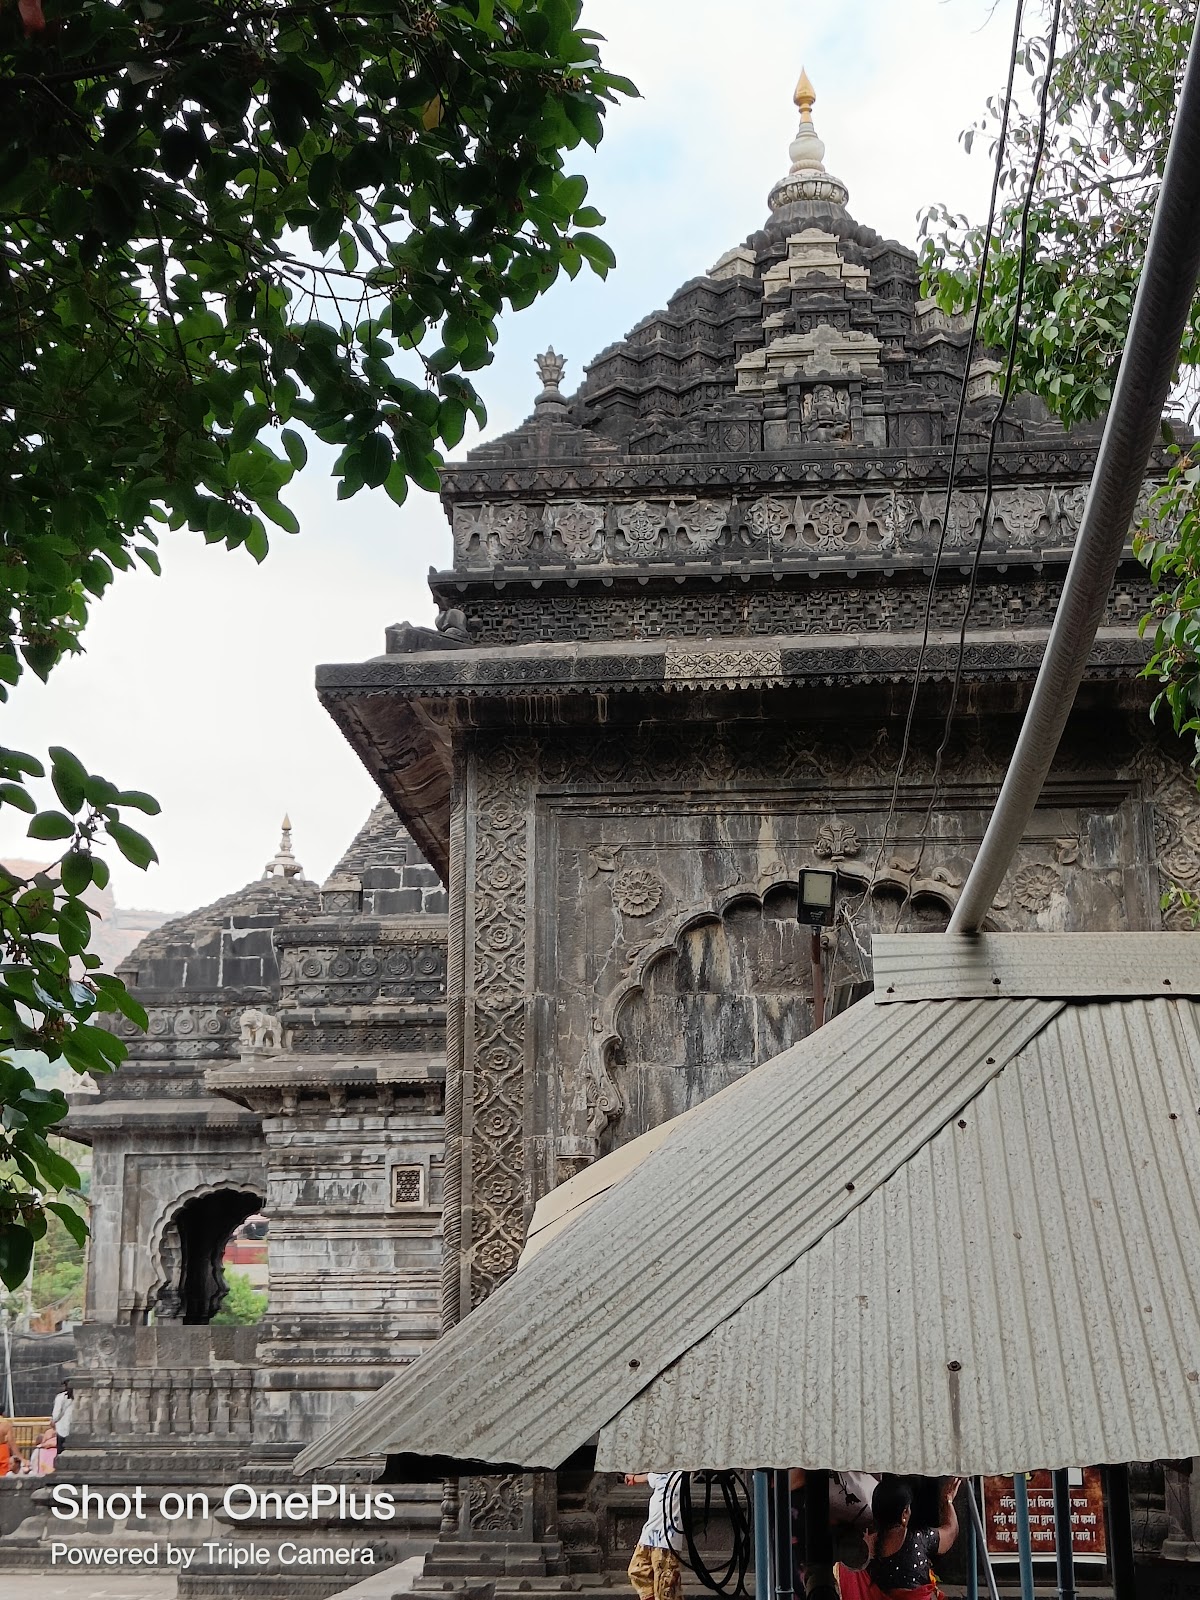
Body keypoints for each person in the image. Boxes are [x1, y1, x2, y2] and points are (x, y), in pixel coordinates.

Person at [838, 1476, 961, 1600]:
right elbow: (951, 1531)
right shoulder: (919, 1540)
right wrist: (948, 1501)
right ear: (904, 1514)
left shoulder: (863, 1550)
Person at [625, 1471, 684, 1600]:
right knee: (637, 1571)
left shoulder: (681, 1476)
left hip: (666, 1540)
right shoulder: (660, 1475)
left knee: (665, 1585)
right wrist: (634, 1478)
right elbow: (648, 1477)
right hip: (649, 1535)